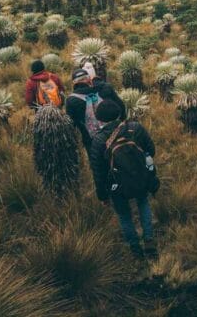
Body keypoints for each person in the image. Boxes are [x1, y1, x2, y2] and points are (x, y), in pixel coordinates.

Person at [88, 100, 158, 258]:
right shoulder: (136, 128)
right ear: (119, 113)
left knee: (124, 214)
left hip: (116, 184)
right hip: (140, 176)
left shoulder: (99, 140)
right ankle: (149, 240)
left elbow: (98, 171)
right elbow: (151, 150)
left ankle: (135, 249)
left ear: (100, 118)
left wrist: (102, 195)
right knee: (143, 203)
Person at [65, 68, 127, 149]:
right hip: (116, 132)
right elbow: (121, 107)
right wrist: (123, 124)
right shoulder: (105, 87)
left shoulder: (71, 100)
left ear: (74, 83)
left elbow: (72, 124)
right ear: (89, 78)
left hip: (93, 140)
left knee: (98, 160)